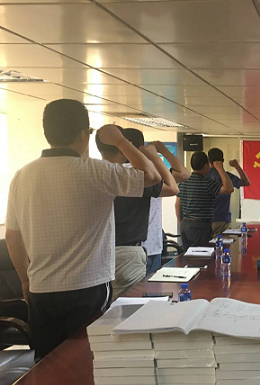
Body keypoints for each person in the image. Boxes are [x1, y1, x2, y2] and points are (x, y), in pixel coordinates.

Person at [4, 99, 161, 360]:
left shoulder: (22, 176)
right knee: (85, 361)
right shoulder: (96, 171)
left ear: (47, 132)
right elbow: (152, 177)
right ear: (82, 134)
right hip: (89, 288)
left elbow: (12, 236)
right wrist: (120, 141)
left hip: (41, 290)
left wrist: (25, 280)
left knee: (47, 364)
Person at [96, 127, 179, 299]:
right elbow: (172, 187)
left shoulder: (94, 173)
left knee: (105, 304)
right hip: (128, 253)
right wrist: (154, 157)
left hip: (99, 252)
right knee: (130, 306)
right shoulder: (129, 176)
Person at [134, 138, 189, 276]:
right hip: (149, 247)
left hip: (139, 247)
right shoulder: (154, 176)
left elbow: (184, 174)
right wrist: (160, 152)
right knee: (150, 287)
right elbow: (183, 174)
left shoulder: (115, 173)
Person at [176, 151, 234, 249]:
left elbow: (177, 205)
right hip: (200, 226)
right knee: (201, 255)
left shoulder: (183, 182)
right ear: (205, 166)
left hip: (185, 225)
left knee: (186, 255)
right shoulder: (207, 183)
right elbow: (229, 188)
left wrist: (182, 223)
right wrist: (220, 168)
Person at [206, 148, 251, 236]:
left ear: (208, 161)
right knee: (221, 243)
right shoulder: (227, 177)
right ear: (223, 161)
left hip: (205, 220)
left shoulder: (203, 176)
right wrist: (236, 166)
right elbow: (246, 182)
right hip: (222, 218)